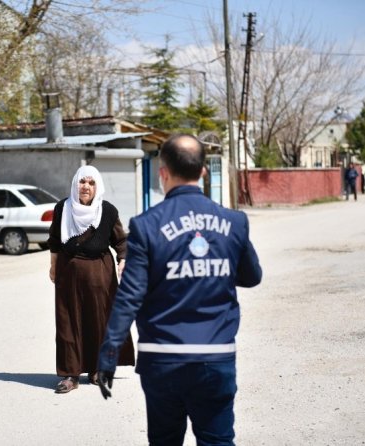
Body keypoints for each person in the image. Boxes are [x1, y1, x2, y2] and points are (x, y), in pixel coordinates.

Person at [96, 134, 262, 445]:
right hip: (215, 358)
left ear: (163, 173)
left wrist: (107, 356)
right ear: (202, 172)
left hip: (162, 361)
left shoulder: (145, 225)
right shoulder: (234, 221)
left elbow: (129, 297)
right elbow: (252, 277)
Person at [47, 165, 135, 394]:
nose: (86, 187)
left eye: (91, 183)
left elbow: (121, 241)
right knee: (68, 323)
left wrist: (123, 260)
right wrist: (53, 266)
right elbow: (55, 241)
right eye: (82, 182)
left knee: (98, 322)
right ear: (76, 183)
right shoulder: (62, 208)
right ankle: (70, 374)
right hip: (68, 274)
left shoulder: (107, 211)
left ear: (97, 187)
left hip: (100, 276)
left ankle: (97, 370)